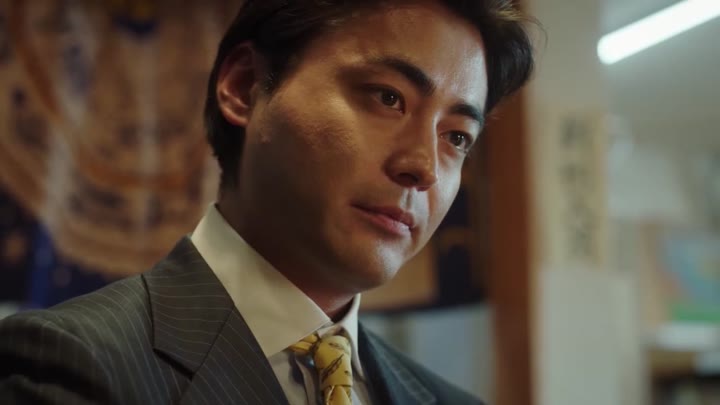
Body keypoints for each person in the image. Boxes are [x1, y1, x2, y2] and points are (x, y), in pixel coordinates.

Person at [0, 0, 535, 403]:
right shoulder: (75, 364)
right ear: (245, 86)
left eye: (457, 136)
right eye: (387, 97)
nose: (423, 166)